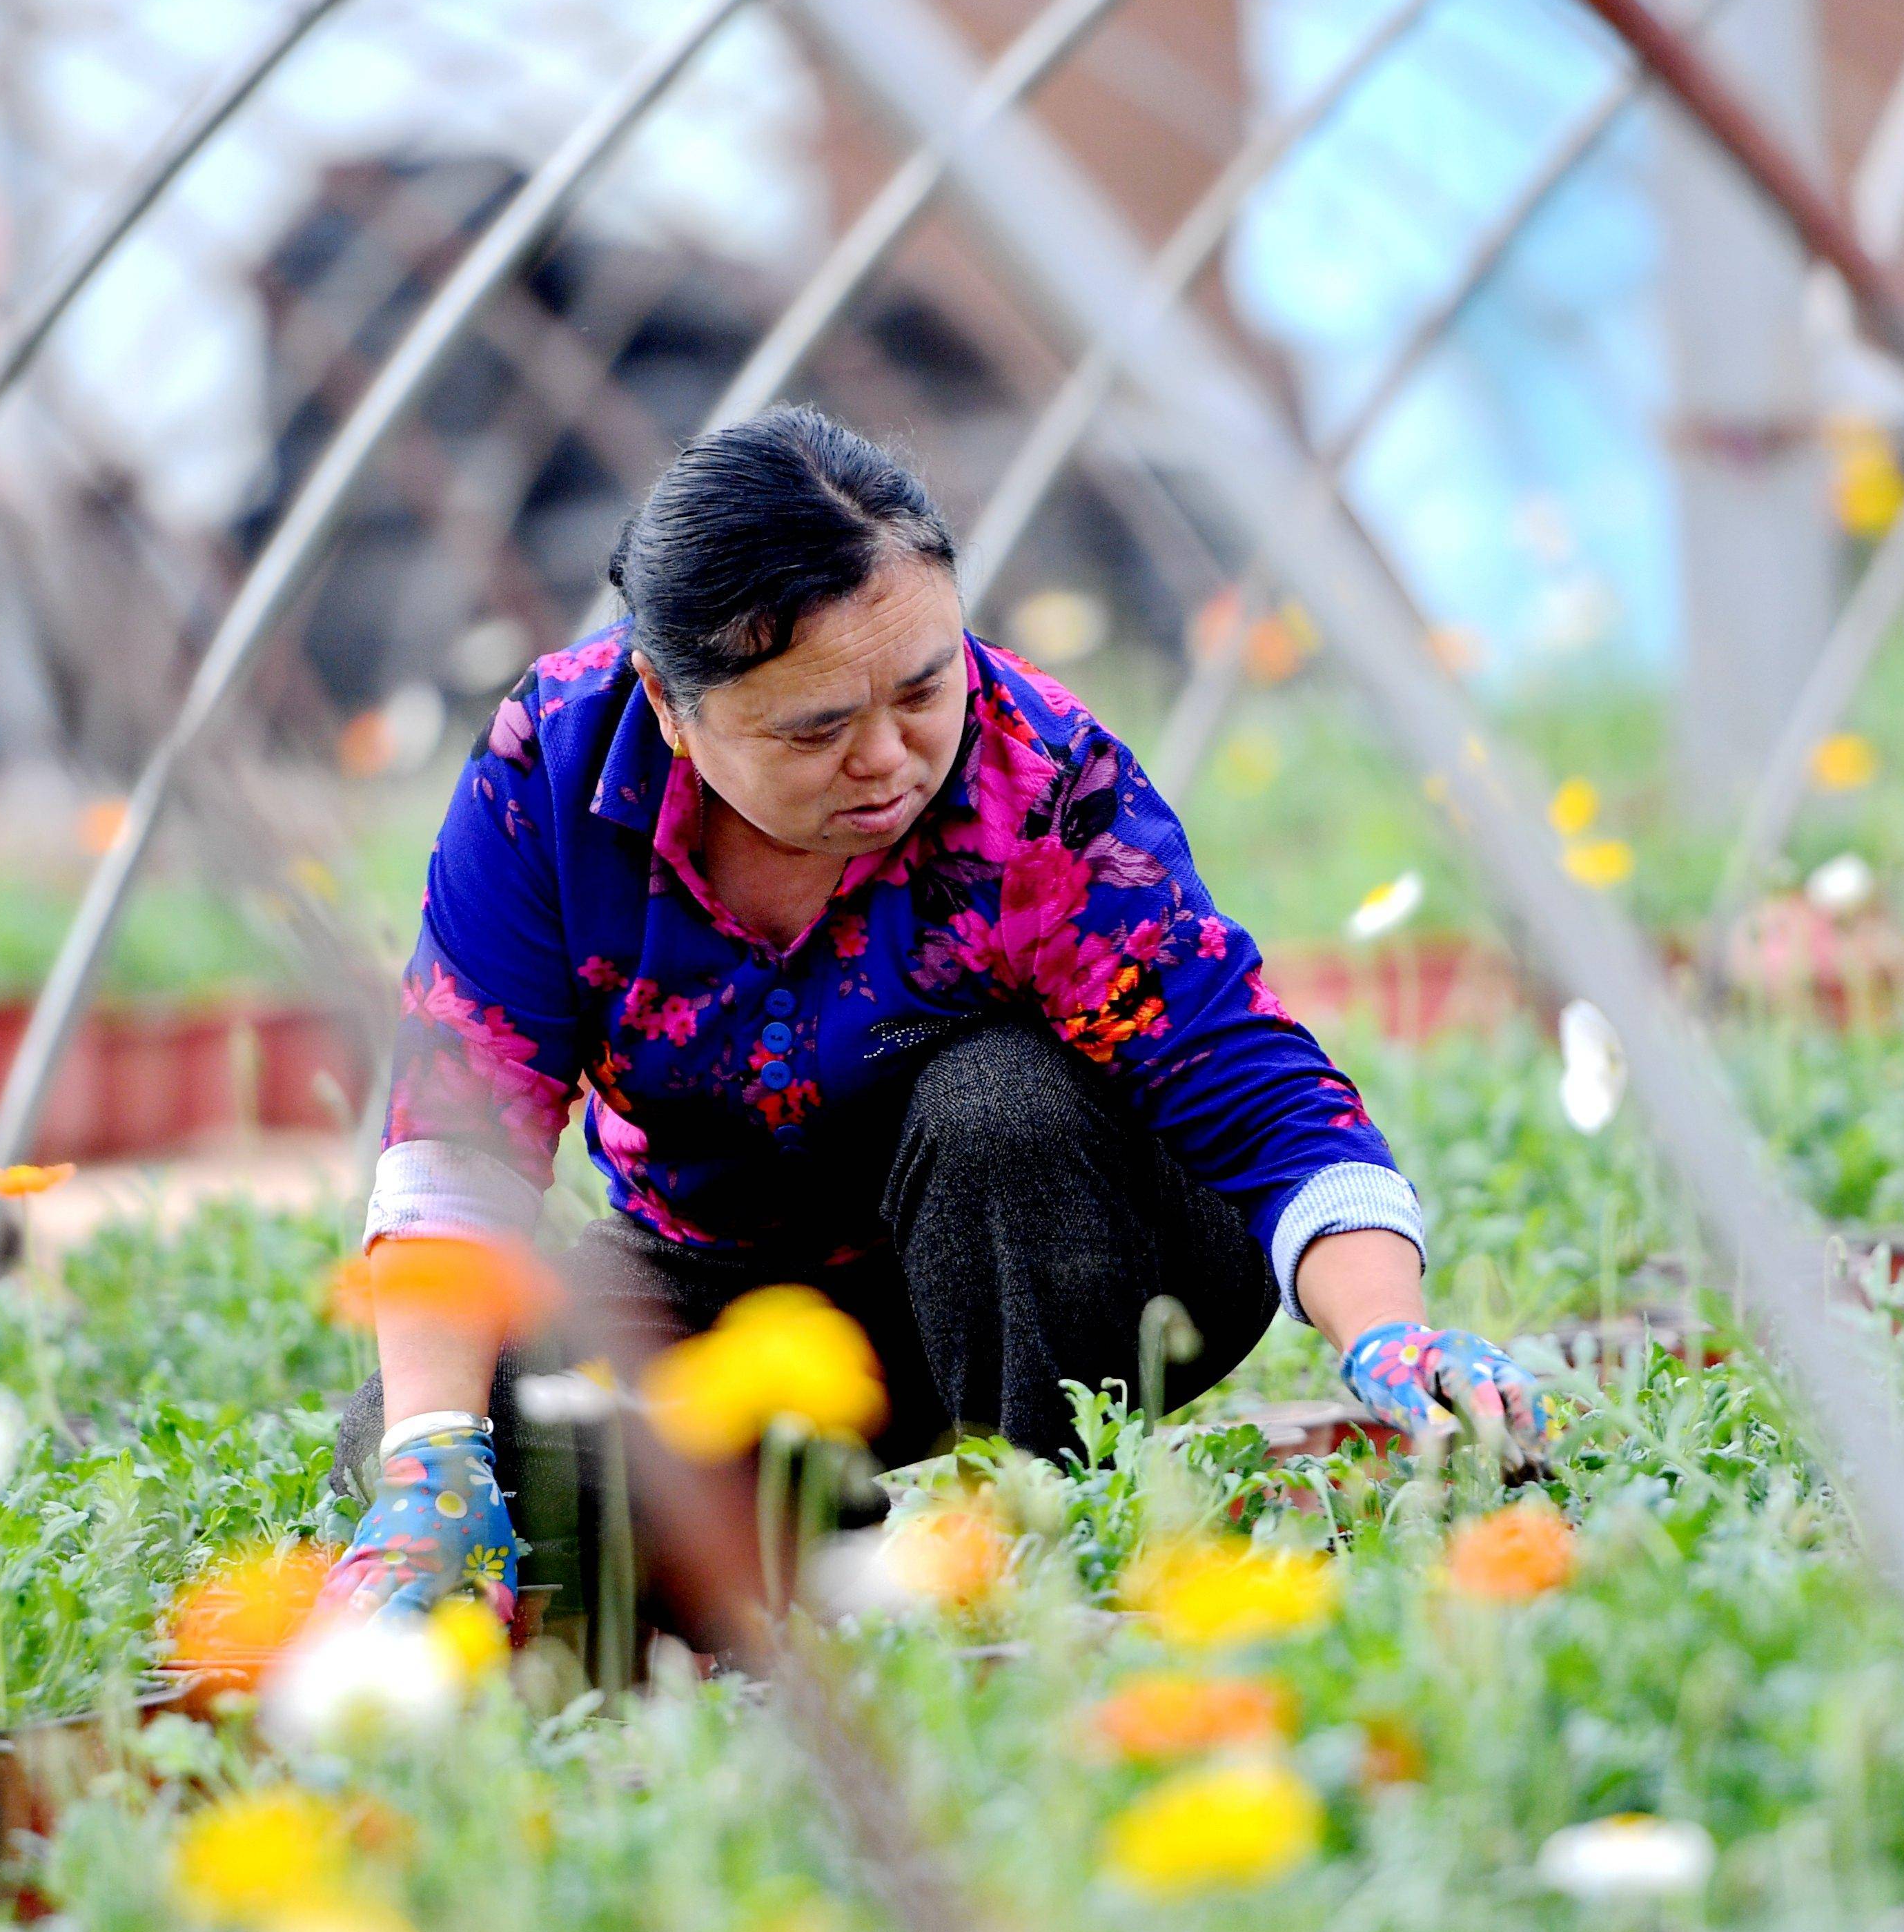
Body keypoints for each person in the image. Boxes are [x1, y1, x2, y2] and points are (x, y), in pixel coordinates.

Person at [327, 407, 1564, 1623]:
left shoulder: (1038, 785)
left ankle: (1045, 1529)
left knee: (996, 1108)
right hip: (737, 1286)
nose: (889, 758)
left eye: (925, 687)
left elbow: (1258, 1091)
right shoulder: (552, 776)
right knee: (440, 1411)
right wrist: (434, 1462)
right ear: (667, 702)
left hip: (1065, 1247)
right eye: (817, 728)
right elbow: (460, 1135)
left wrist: (1393, 1342)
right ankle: (815, 1532)